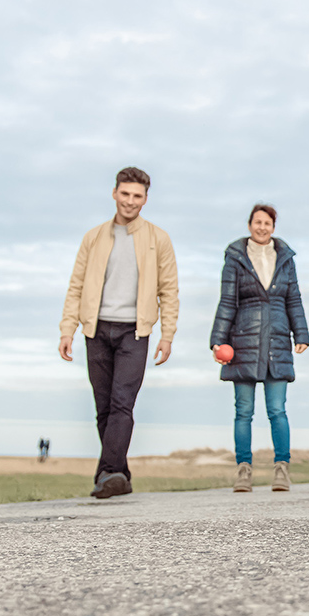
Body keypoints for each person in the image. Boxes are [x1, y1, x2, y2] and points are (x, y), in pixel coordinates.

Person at [59, 167, 179, 499]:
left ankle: (107, 472)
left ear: (145, 199)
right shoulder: (93, 237)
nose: (130, 201)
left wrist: (167, 335)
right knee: (103, 408)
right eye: (125, 194)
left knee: (121, 403)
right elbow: (76, 286)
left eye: (137, 196)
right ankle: (120, 473)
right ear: (114, 193)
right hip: (95, 330)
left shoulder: (158, 239)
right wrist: (67, 328)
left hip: (134, 333)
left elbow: (169, 291)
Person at [210, 204, 309, 493]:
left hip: (278, 342)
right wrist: (218, 339)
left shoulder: (286, 259)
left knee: (277, 410)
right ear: (250, 225)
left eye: (267, 223)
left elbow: (294, 300)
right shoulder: (235, 258)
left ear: (273, 227)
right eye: (257, 222)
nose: (262, 227)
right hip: (242, 343)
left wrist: (300, 333)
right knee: (244, 412)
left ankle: (281, 471)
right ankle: (244, 472)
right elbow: (227, 301)